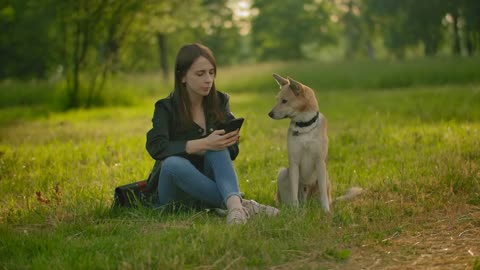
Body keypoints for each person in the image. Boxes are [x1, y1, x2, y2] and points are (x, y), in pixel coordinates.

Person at [144, 43, 279, 224]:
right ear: (182, 76)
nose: (208, 79)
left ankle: (235, 209)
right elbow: (157, 147)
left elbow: (232, 151)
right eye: (200, 74)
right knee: (173, 164)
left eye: (211, 73)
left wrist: (225, 142)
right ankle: (240, 204)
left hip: (205, 189)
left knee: (219, 147)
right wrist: (203, 144)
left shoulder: (220, 101)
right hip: (174, 195)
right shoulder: (165, 108)